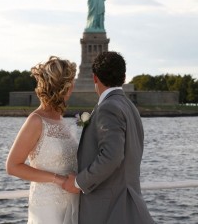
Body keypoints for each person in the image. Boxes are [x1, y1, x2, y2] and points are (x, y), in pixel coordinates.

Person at [63, 51, 155, 224]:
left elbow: (112, 156)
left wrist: (78, 183)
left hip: (109, 210)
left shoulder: (108, 107)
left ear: (95, 78)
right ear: (124, 76)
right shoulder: (129, 106)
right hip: (128, 204)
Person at [6, 56, 80, 224]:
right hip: (47, 208)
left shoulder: (61, 121)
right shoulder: (36, 120)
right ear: (63, 87)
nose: (73, 87)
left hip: (72, 204)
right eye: (71, 82)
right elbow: (12, 166)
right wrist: (58, 179)